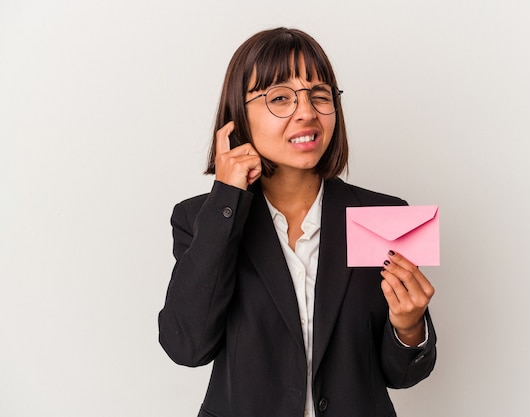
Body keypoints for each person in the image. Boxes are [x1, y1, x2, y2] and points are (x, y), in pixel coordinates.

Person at [158, 27, 437, 417]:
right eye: (279, 98)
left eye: (319, 95)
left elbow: (400, 375)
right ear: (238, 115)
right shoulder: (198, 219)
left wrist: (409, 328)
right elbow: (187, 346)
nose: (306, 112)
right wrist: (227, 198)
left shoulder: (385, 218)